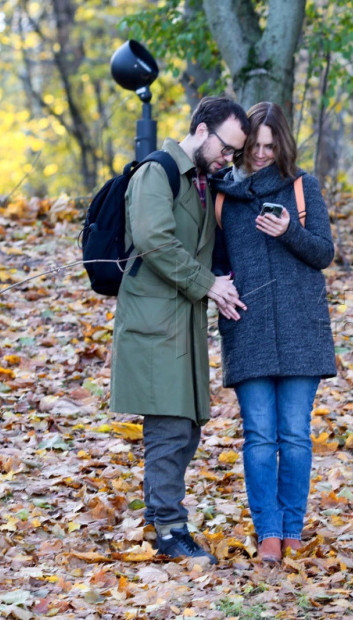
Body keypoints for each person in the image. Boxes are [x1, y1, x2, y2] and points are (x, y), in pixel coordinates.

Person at [110, 96, 249, 564]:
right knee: (169, 429)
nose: (229, 159)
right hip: (154, 321)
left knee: (187, 428)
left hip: (181, 320)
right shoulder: (158, 172)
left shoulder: (200, 179)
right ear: (202, 130)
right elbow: (154, 241)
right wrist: (207, 284)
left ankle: (160, 515)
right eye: (227, 148)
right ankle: (170, 532)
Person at [210, 102, 336, 564]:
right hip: (249, 329)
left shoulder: (304, 188)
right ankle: (268, 533)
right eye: (255, 147)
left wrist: (288, 231)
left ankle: (292, 530)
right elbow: (215, 263)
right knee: (260, 435)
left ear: (282, 144)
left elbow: (324, 253)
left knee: (295, 435)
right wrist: (217, 287)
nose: (262, 154)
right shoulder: (223, 196)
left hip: (302, 328)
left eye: (270, 145)